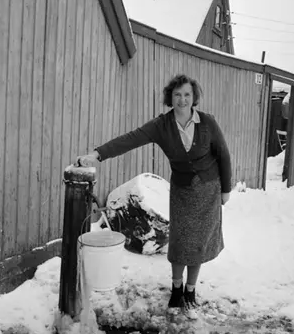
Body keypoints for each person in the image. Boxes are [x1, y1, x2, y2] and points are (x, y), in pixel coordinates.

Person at [76, 74, 232, 318]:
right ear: (170, 97)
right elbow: (130, 139)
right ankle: (177, 288)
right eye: (177, 94)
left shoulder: (207, 122)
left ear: (194, 97)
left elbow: (223, 155)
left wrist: (226, 190)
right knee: (180, 242)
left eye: (187, 94)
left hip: (208, 190)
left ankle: (191, 290)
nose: (182, 99)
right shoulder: (162, 125)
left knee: (199, 243)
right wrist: (97, 154)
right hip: (182, 192)